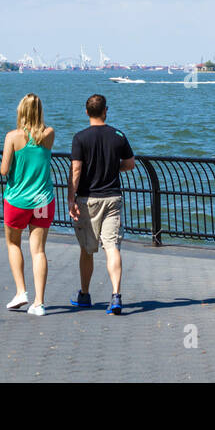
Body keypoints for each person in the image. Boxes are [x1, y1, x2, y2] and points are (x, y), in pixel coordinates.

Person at [68, 93, 135, 314]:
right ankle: (116, 296)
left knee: (87, 250)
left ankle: (85, 294)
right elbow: (130, 163)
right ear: (106, 110)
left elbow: (76, 170)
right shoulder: (118, 135)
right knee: (112, 246)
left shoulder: (80, 138)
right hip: (113, 198)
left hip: (88, 199)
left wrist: (71, 198)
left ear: (87, 112)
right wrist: (112, 168)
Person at [0, 93, 56, 316]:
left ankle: (21, 291)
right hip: (42, 199)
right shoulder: (49, 134)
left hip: (18, 200)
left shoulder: (13, 137)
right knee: (39, 250)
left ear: (21, 111)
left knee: (13, 244)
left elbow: (4, 170)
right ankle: (39, 302)